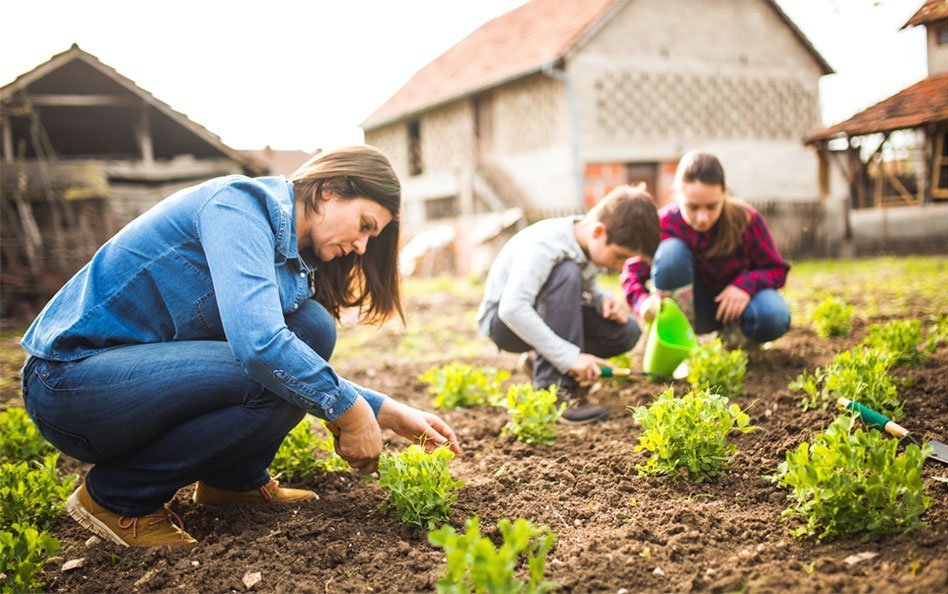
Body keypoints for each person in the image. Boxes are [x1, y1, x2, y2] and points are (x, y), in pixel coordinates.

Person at [19, 145, 461, 550]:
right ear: (328, 191)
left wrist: (388, 411)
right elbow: (262, 349)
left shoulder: (288, 258)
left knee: (312, 327)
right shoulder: (238, 208)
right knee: (274, 375)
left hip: (130, 388)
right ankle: (117, 498)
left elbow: (281, 349)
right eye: (365, 225)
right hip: (69, 383)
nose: (361, 246)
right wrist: (351, 411)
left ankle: (233, 482)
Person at [476, 185, 661, 423]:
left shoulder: (586, 244)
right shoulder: (546, 245)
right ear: (598, 232)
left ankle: (539, 362)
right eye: (620, 256)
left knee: (626, 332)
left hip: (539, 314)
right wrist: (569, 358)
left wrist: (600, 298)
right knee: (566, 271)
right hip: (504, 324)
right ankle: (555, 390)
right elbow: (512, 308)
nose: (619, 265)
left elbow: (584, 286)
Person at [621, 150, 790, 346]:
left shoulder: (745, 219)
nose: (702, 218)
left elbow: (776, 269)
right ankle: (678, 340)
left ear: (725, 191)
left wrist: (744, 286)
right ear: (677, 193)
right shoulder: (662, 225)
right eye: (693, 207)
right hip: (691, 309)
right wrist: (643, 303)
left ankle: (737, 338)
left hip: (735, 309)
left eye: (711, 207)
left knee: (774, 315)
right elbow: (631, 274)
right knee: (670, 252)